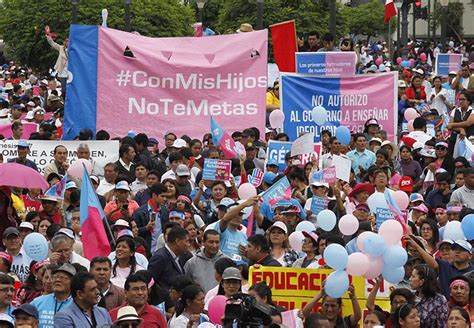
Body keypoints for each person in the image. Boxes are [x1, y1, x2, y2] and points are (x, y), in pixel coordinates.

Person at [31, 263, 76, 328]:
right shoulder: (37, 302)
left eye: (62, 278)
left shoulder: (78, 305)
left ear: (72, 282)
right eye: (55, 277)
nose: (58, 280)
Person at [183, 229, 226, 294]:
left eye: (217, 242)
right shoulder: (192, 263)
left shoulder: (226, 261)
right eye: (211, 242)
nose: (214, 246)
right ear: (203, 242)